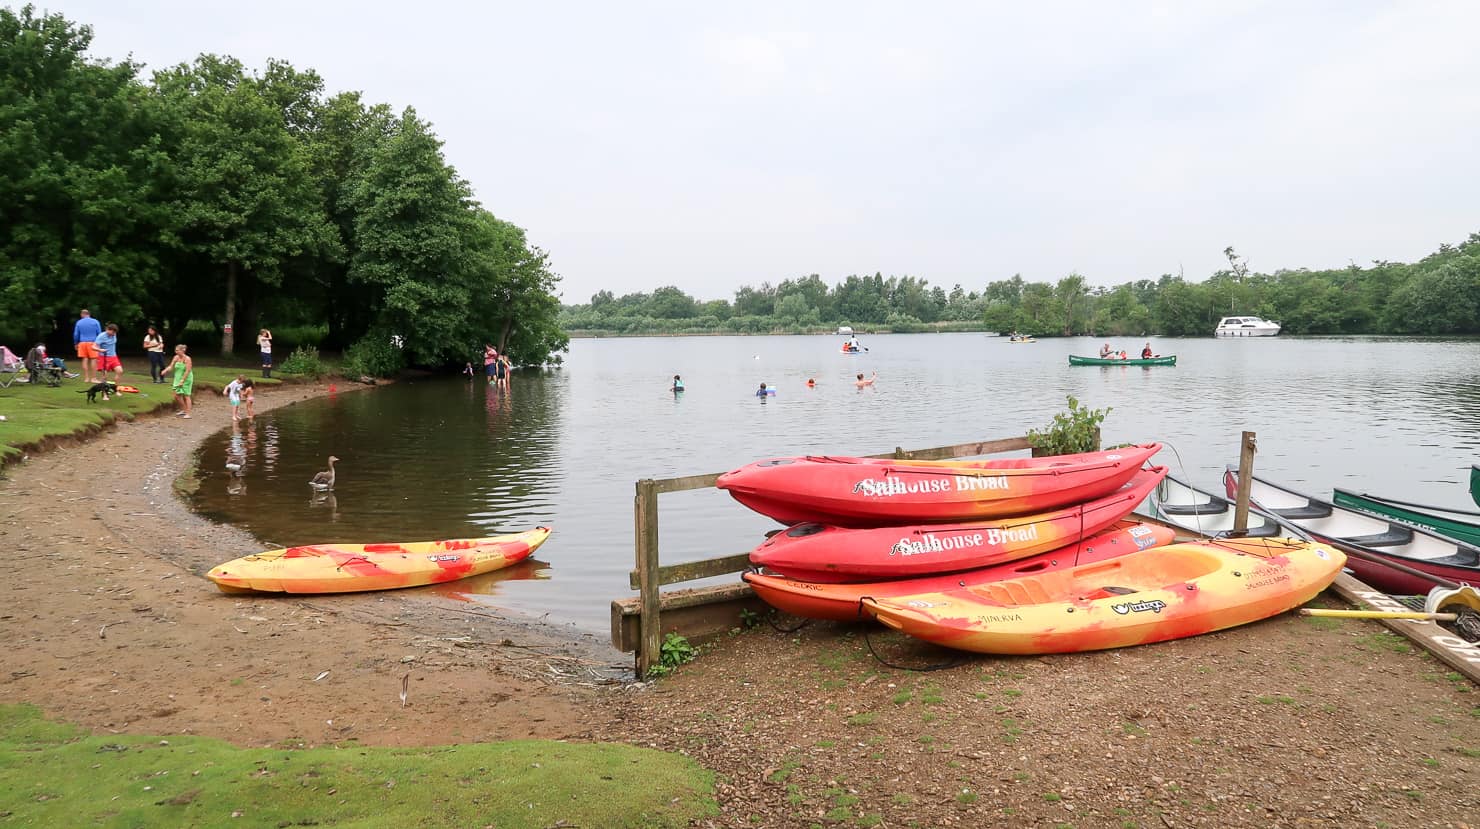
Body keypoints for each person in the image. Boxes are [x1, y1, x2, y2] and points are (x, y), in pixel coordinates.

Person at [165, 344, 194, 419]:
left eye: (177, 350)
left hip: (186, 378)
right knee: (176, 395)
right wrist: (165, 370)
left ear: (182, 350)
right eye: (175, 350)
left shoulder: (187, 359)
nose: (176, 352)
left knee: (186, 395)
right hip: (177, 378)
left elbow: (187, 371)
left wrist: (182, 380)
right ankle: (184, 410)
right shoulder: (176, 357)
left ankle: (188, 413)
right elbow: (171, 366)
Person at [73, 309, 101, 383]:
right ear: (89, 314)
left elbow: (76, 334)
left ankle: (86, 378)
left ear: (82, 314)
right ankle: (93, 378)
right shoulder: (95, 321)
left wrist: (76, 343)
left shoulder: (79, 322)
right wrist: (99, 344)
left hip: (82, 343)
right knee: (93, 359)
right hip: (93, 343)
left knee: (84, 359)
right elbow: (99, 333)